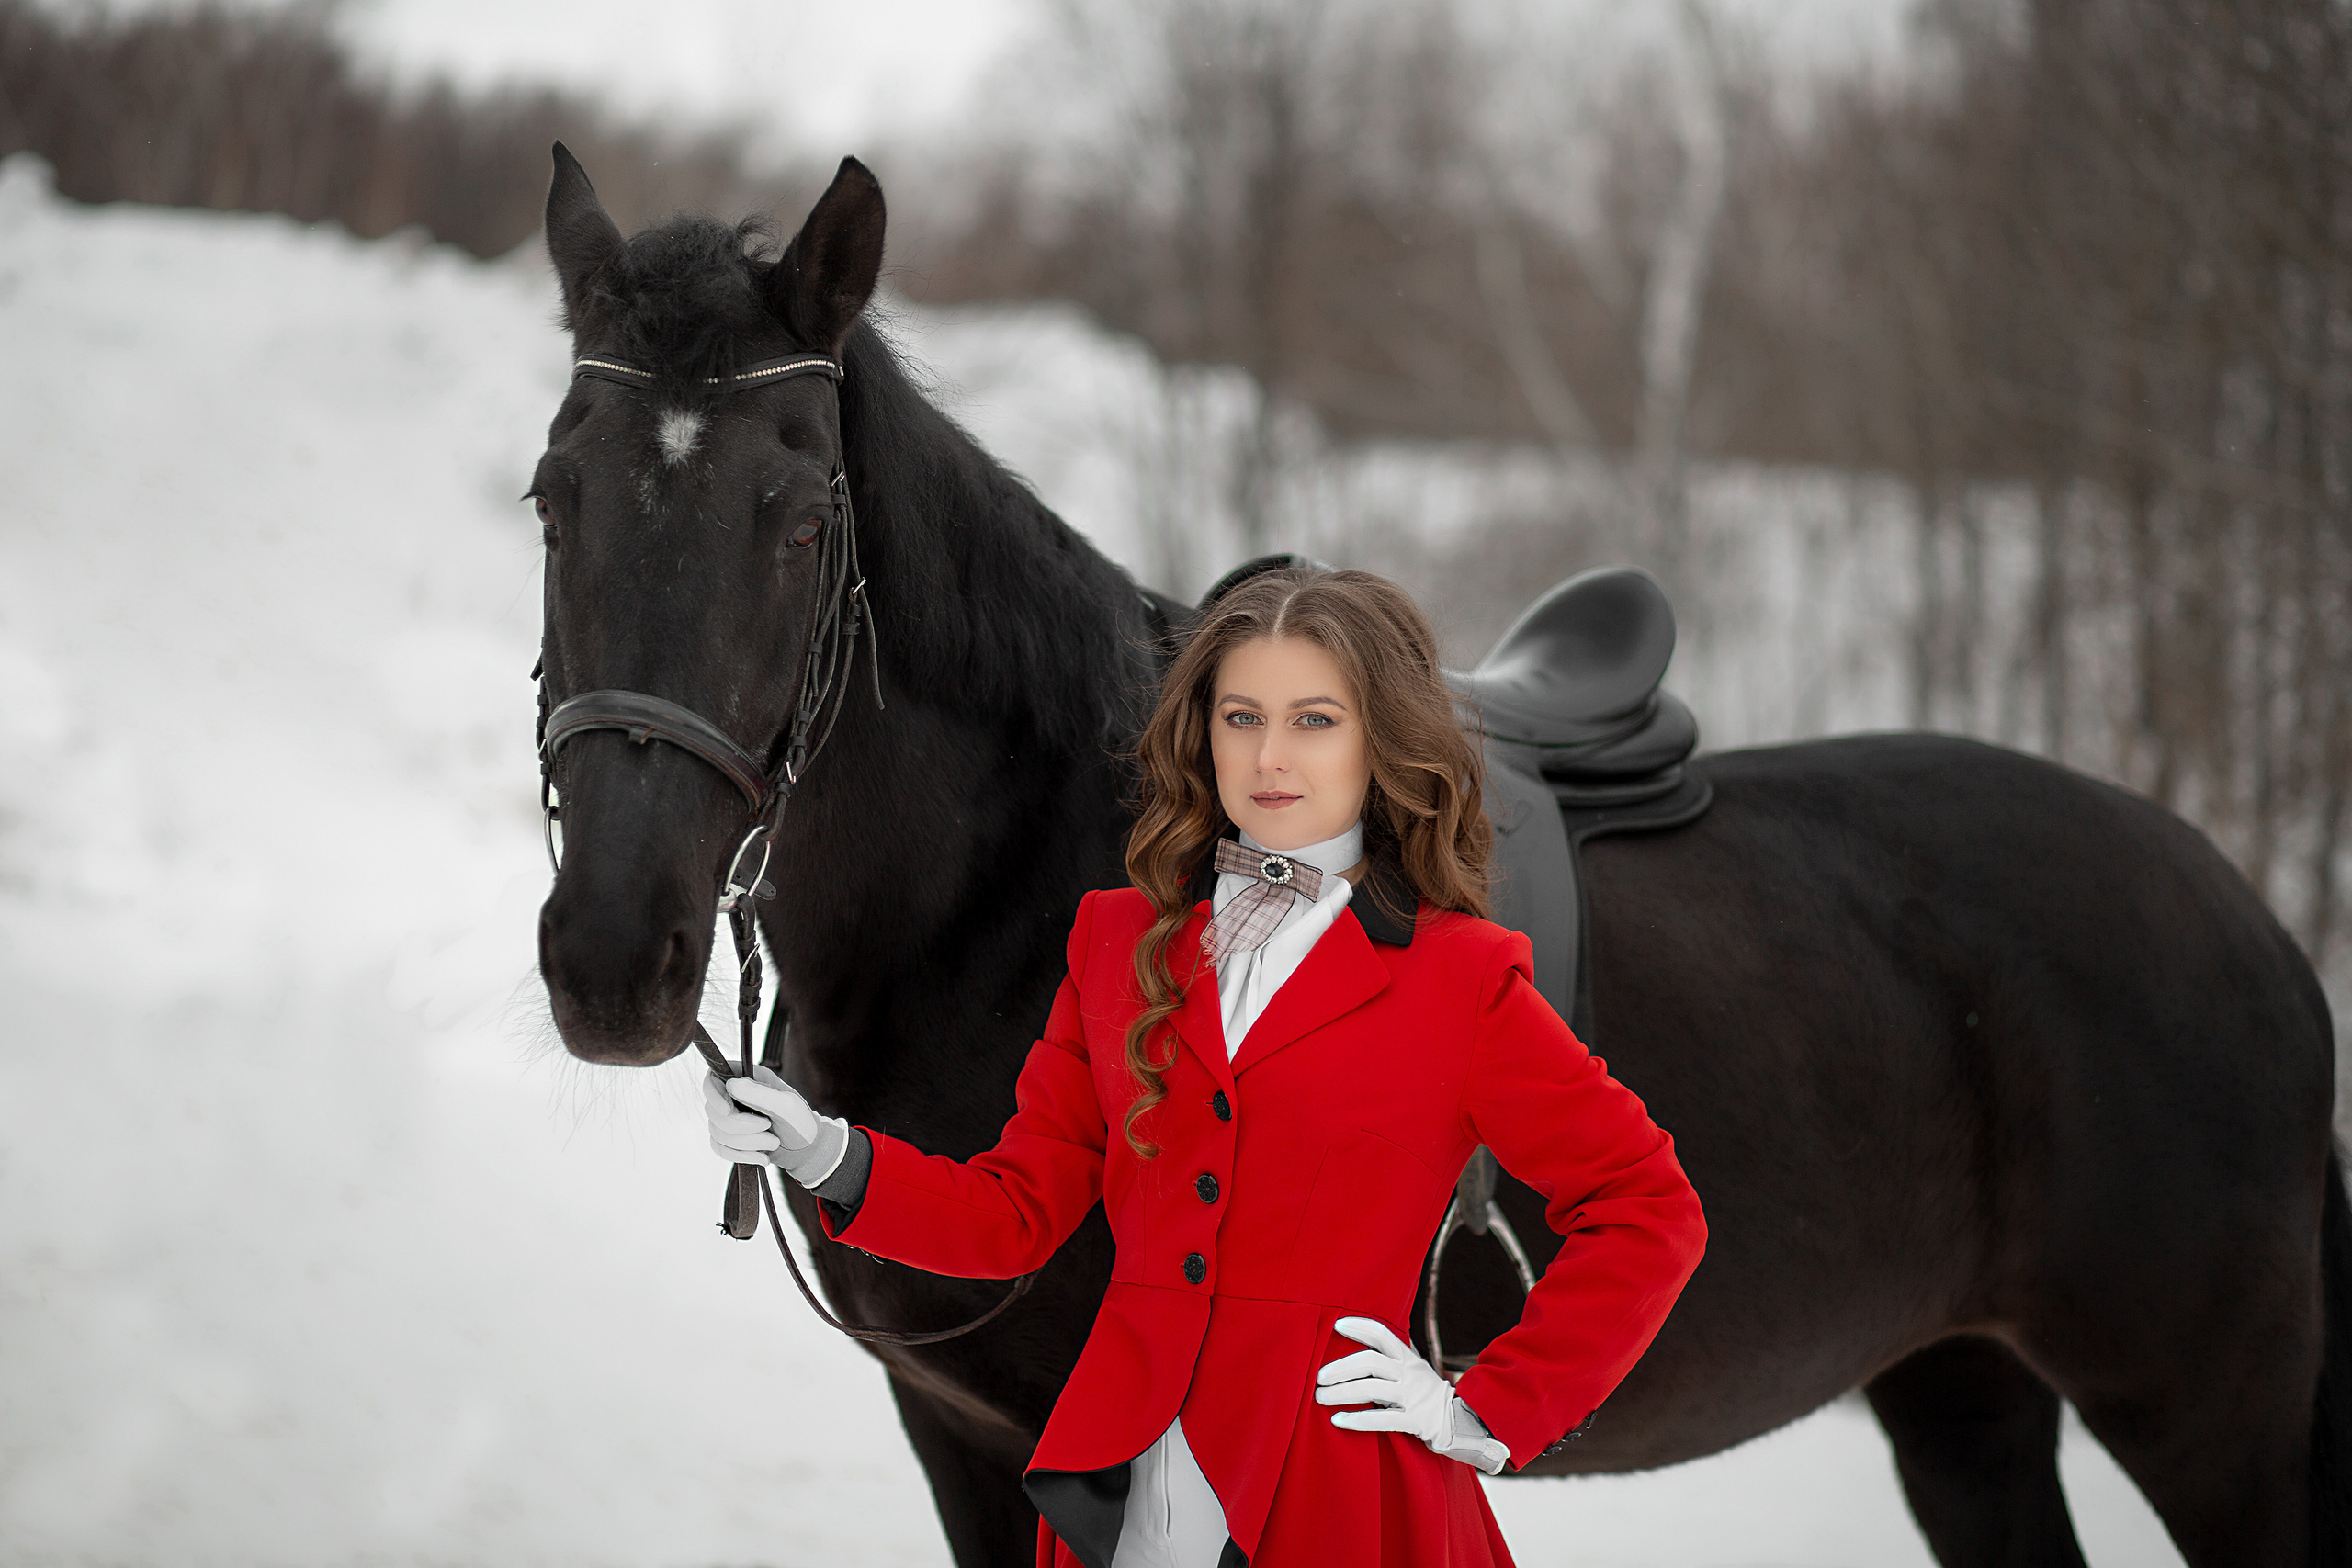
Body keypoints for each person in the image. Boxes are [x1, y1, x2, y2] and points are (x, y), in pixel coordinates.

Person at [706, 567, 1706, 1568]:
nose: (1269, 756)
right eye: (1241, 717)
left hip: (1341, 1496)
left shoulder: (1462, 980)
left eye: (1314, 720)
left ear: (1379, 742)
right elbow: (1014, 1213)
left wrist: (1485, 1407)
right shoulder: (1114, 942)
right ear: (1203, 734)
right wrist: (828, 1154)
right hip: (1129, 1488)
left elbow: (1648, 1207)